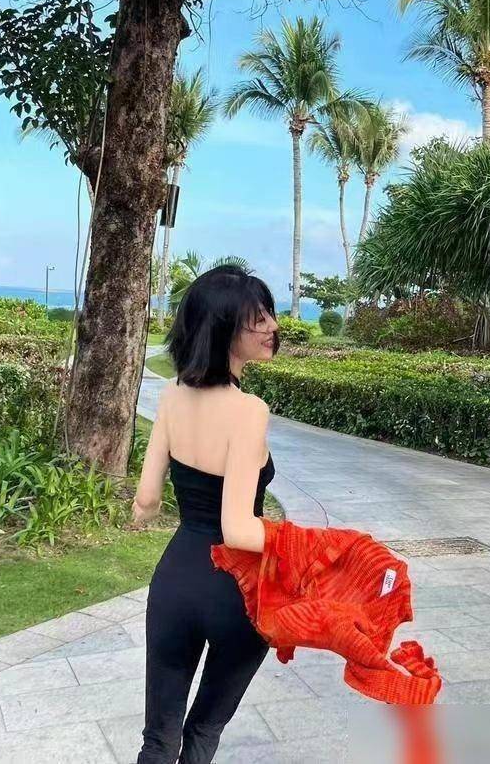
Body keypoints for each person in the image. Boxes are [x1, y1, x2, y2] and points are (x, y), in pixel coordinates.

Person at [132, 264, 281, 764]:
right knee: (203, 732)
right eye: (256, 319)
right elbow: (237, 528)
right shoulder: (249, 410)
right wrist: (310, 549)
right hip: (236, 592)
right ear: (222, 329)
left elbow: (146, 500)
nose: (272, 327)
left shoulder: (172, 395)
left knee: (158, 739)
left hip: (175, 581)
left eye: (269, 315)